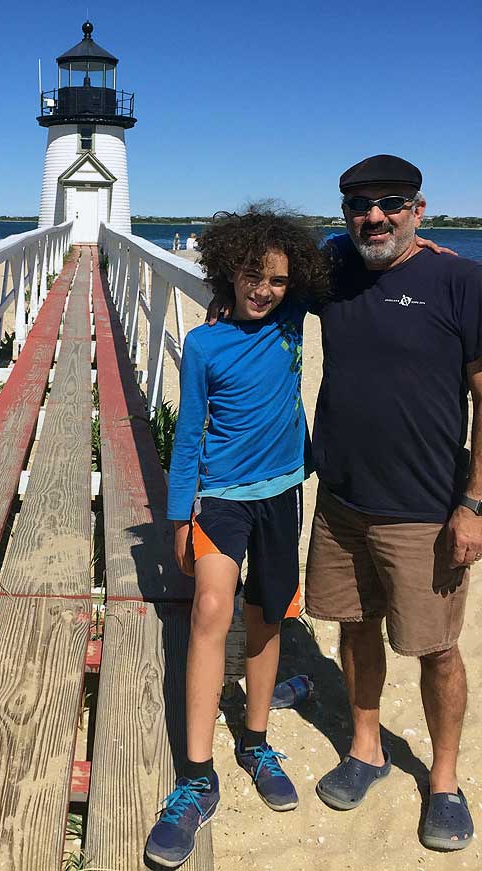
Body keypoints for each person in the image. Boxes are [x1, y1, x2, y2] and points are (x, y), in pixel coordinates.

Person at [145, 208, 331, 868]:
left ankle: (255, 739)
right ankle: (197, 774)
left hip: (282, 492)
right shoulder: (203, 345)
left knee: (268, 612)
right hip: (219, 499)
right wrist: (177, 517)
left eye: (279, 279)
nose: (265, 290)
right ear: (230, 270)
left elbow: (344, 257)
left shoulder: (292, 317)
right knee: (211, 608)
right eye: (252, 275)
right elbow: (189, 434)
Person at [306, 154, 481, 851]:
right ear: (345, 212)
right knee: (353, 626)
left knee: (435, 646)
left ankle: (443, 778)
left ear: (419, 208)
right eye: (359, 204)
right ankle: (368, 745)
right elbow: (269, 261)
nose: (374, 216)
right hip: (341, 500)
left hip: (426, 508)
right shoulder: (335, 269)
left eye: (391, 203)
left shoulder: (459, 278)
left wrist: (473, 503)